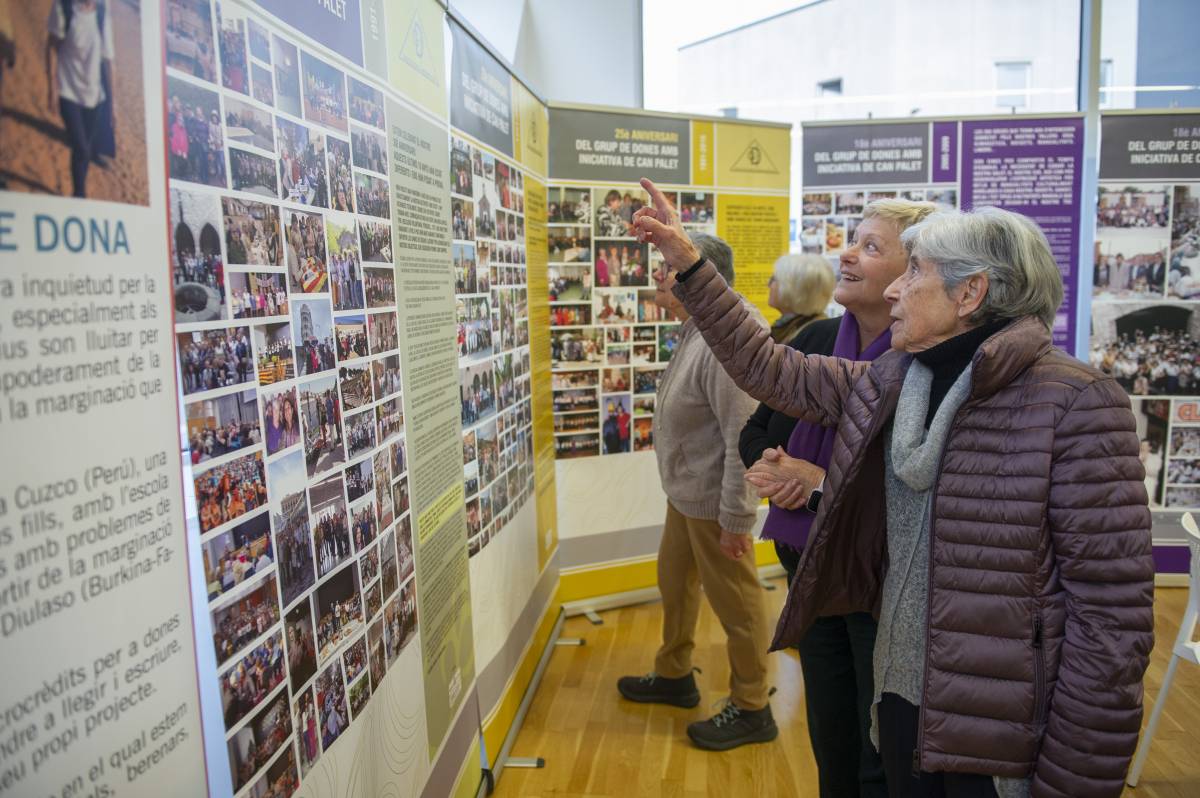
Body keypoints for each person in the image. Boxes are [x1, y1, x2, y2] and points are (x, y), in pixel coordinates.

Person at [634, 177, 1154, 797]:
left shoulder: (1077, 404)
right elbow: (773, 370)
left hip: (999, 732)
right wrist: (690, 266)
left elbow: (1111, 625)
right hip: (905, 691)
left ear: (971, 293)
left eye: (917, 273)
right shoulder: (900, 378)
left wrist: (1075, 782)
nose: (898, 287)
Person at [739, 200, 937, 798]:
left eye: (871, 247)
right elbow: (757, 428)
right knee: (830, 736)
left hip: (880, 584)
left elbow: (909, 486)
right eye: (852, 241)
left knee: (877, 741)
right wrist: (773, 464)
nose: (846, 253)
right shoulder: (821, 337)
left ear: (913, 272)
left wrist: (816, 477)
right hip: (811, 570)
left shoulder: (923, 367)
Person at [616, 233, 777, 752]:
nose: (657, 275)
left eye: (666, 265)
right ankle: (674, 675)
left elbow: (742, 438)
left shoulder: (730, 337)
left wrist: (736, 517)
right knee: (675, 585)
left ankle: (753, 706)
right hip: (686, 495)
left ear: (697, 273)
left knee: (738, 604)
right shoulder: (696, 328)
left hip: (714, 504)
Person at [46, 0, 115, 198]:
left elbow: (109, 61)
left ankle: (78, 192)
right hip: (68, 93)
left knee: (82, 150)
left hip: (94, 97)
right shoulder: (64, 7)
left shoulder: (102, 12)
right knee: (82, 149)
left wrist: (113, 105)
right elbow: (51, 47)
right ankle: (80, 194)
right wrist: (52, 88)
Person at [766, 254, 836, 344]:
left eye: (773, 279)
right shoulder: (792, 327)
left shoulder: (815, 336)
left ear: (793, 289)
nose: (768, 285)